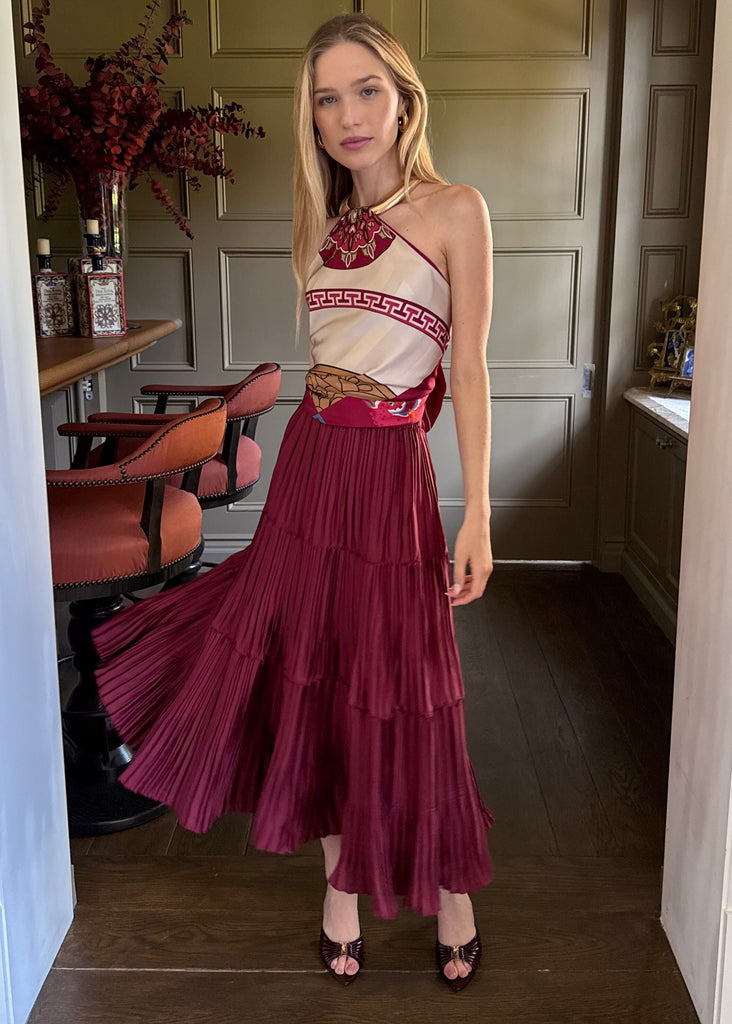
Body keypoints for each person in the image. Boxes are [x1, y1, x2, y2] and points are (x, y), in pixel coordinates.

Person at [91, 11, 495, 995]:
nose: (349, 114)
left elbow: (471, 370)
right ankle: (340, 890)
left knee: (409, 686)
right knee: (308, 673)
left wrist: (478, 513)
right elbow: (331, 363)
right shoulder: (315, 223)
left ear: (403, 98)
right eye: (327, 98)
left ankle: (452, 888)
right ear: (311, 121)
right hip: (314, 467)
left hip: (393, 477)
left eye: (366, 90)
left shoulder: (455, 208)